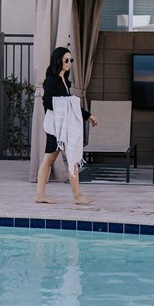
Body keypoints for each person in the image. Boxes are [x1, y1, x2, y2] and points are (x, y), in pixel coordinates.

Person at [35, 46, 98, 205]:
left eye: (71, 60)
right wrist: (64, 106)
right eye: (66, 60)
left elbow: (71, 105)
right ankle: (76, 196)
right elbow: (47, 103)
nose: (69, 63)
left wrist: (88, 116)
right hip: (56, 127)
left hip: (62, 126)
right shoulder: (52, 80)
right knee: (66, 158)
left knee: (53, 159)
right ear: (58, 61)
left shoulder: (64, 80)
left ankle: (43, 195)